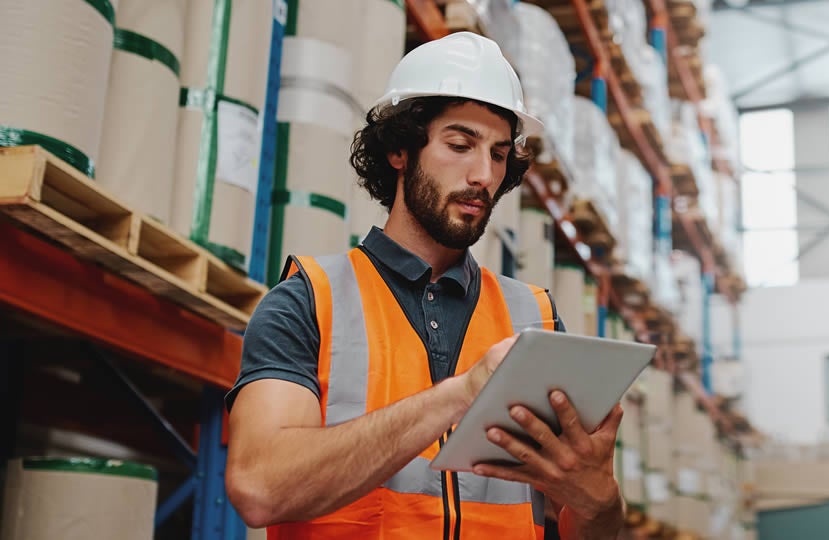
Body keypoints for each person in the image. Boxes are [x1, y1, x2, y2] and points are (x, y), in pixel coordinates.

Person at [225, 32, 625, 539]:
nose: (484, 174)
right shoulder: (309, 300)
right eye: (460, 145)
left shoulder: (536, 319)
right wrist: (462, 395)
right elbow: (259, 488)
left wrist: (600, 503)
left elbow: (586, 528)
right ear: (399, 149)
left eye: (499, 154)